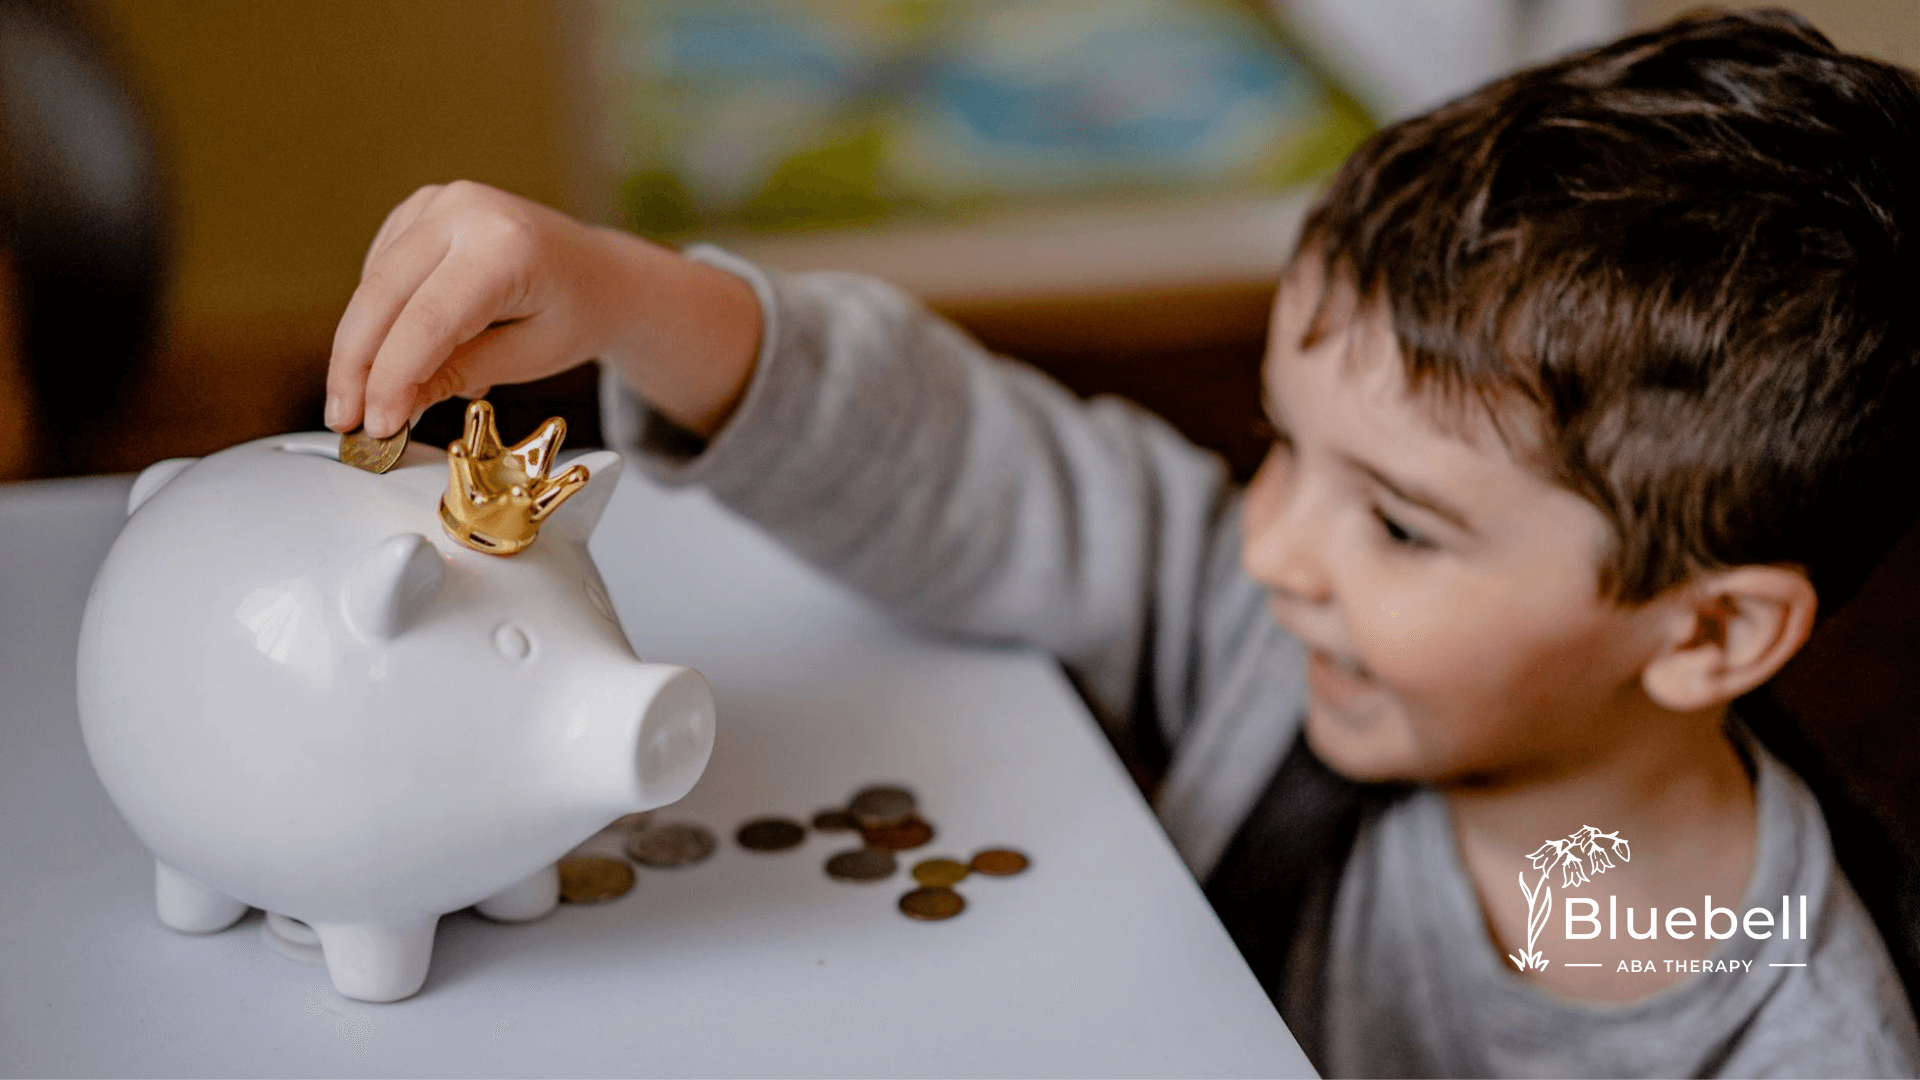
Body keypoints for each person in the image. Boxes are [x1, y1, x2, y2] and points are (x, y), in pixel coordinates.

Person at [323, 10, 1920, 1076]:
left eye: (1396, 523)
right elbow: (968, 461)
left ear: (1707, 635)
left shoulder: (1802, 1032)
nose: (1275, 543)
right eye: (1282, 441)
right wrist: (622, 295)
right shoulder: (1267, 628)